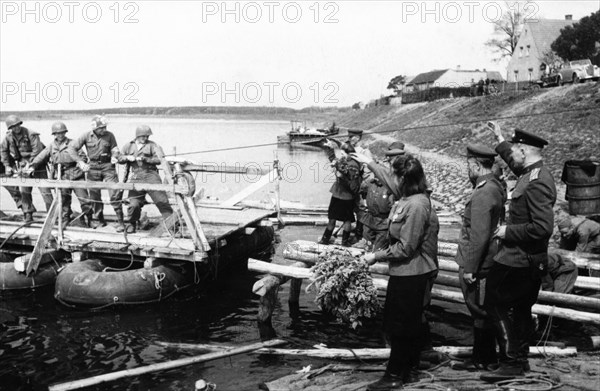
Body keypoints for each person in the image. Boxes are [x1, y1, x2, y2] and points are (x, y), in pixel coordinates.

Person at [353, 152, 439, 389]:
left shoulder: (417, 205)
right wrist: (368, 162)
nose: (392, 180)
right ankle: (410, 370)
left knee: (400, 327)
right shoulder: (409, 195)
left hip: (412, 273)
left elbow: (406, 248)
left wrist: (375, 256)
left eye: (395, 176)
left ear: (404, 179)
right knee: (406, 324)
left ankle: (393, 377)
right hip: (405, 272)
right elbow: (387, 177)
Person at [481, 123, 556, 382]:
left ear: (524, 150)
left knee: (493, 302)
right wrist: (501, 140)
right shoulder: (531, 172)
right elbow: (515, 166)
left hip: (519, 258)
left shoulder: (537, 182)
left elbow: (542, 228)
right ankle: (520, 359)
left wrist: (507, 233)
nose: (513, 153)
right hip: (526, 260)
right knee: (522, 309)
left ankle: (511, 360)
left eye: (515, 149)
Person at [453, 143, 506, 371]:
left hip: (480, 263)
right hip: (484, 261)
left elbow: (479, 236)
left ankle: (487, 358)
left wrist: (470, 268)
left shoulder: (484, 192)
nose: (468, 169)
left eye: (468, 165)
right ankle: (481, 356)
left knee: (482, 309)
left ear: (475, 164)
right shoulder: (492, 186)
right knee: (479, 309)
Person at [29, 122, 93, 229]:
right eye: (58, 133)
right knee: (64, 201)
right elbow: (41, 157)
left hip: (76, 175)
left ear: (65, 132)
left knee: (84, 199)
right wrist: (33, 166)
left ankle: (90, 219)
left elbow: (83, 157)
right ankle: (65, 220)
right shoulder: (51, 146)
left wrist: (81, 163)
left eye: (62, 133)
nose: (60, 135)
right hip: (61, 176)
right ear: (54, 134)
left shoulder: (73, 143)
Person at [69, 115, 125, 232]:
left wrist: (115, 156)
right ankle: (100, 220)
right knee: (94, 196)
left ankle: (121, 222)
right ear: (94, 128)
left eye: (104, 127)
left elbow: (115, 148)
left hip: (108, 167)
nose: (103, 130)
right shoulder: (86, 136)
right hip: (93, 168)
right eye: (101, 128)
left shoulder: (110, 135)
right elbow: (72, 149)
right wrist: (80, 162)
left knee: (114, 192)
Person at [118, 125, 173, 233]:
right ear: (137, 136)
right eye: (143, 136)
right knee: (133, 204)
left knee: (162, 201)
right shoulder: (128, 146)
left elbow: (160, 159)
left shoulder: (153, 145)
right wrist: (126, 158)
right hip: (136, 176)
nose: (145, 138)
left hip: (151, 175)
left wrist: (147, 159)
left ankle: (173, 227)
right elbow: (119, 158)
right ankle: (131, 224)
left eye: (147, 136)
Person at [0, 115, 53, 222]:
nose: (16, 128)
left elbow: (37, 151)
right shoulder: (8, 137)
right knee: (25, 191)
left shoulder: (31, 134)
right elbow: (3, 150)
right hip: (23, 165)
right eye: (13, 126)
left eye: (17, 125)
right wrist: (7, 165)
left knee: (45, 191)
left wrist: (31, 165)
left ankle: (52, 215)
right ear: (10, 128)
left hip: (38, 164)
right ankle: (28, 213)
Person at [318, 129, 363, 247]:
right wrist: (329, 148)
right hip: (339, 195)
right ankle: (326, 240)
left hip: (346, 196)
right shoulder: (346, 161)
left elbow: (344, 172)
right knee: (333, 218)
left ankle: (342, 241)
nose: (341, 155)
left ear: (350, 154)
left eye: (343, 153)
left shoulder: (353, 165)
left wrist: (336, 165)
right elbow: (334, 160)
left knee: (347, 220)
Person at [358, 141, 406, 251]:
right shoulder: (369, 183)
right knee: (366, 248)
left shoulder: (393, 184)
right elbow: (357, 193)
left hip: (384, 223)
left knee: (379, 251)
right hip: (370, 221)